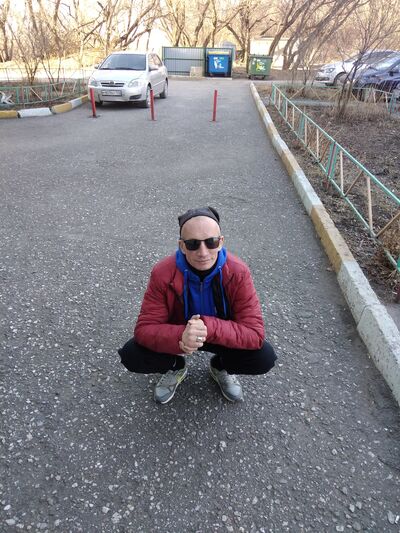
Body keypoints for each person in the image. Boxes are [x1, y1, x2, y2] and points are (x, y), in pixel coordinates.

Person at [118, 207, 276, 404]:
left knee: (263, 357)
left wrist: (207, 327)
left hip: (220, 333)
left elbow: (254, 333)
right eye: (192, 244)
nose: (203, 252)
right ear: (182, 246)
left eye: (211, 242)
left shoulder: (238, 272)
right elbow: (145, 329)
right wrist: (181, 335)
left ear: (221, 242)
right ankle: (175, 366)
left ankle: (220, 366)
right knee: (132, 355)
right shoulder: (162, 272)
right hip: (181, 333)